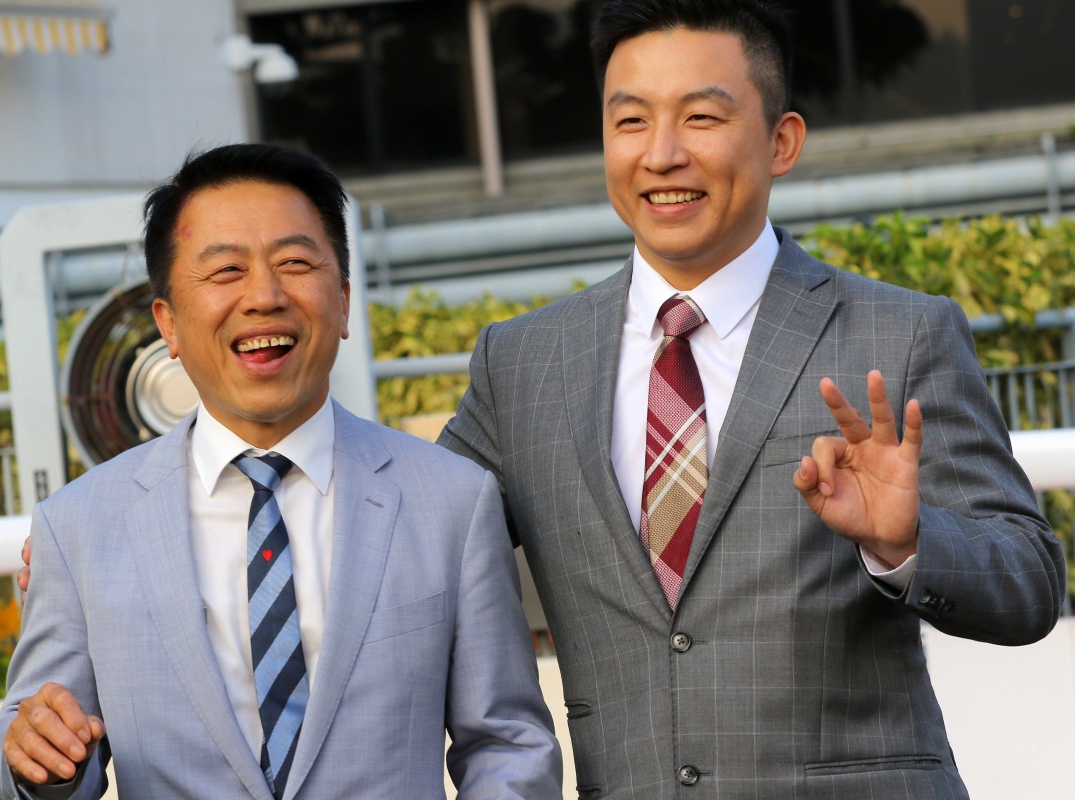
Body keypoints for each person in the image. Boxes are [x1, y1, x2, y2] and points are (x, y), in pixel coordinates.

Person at [434, 1, 1066, 798]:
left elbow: (1031, 583)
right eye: (630, 120)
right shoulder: (521, 363)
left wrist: (906, 544)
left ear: (781, 141)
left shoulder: (901, 333)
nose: (661, 154)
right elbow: (418, 557)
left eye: (701, 117)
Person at [0, 143, 562, 800]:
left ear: (343, 302)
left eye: (294, 263)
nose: (263, 296)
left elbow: (507, 741)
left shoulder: (452, 501)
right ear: (168, 324)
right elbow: (33, 739)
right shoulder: (79, 527)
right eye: (225, 271)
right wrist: (42, 760)